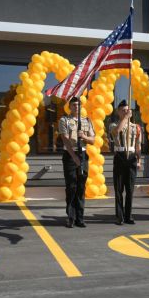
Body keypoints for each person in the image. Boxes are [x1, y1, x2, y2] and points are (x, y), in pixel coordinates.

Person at [59, 97, 95, 228]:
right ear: (69, 107)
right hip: (70, 155)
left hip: (83, 155)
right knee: (71, 186)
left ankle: (80, 218)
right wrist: (74, 157)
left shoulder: (86, 121)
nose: (76, 107)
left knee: (81, 187)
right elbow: (65, 140)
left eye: (78, 105)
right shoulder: (64, 120)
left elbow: (92, 140)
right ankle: (71, 217)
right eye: (73, 105)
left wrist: (83, 136)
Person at [109, 100, 142, 225]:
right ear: (118, 112)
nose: (125, 112)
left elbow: (138, 145)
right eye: (123, 110)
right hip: (120, 156)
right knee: (119, 189)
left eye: (127, 110)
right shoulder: (113, 125)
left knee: (130, 189)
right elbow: (116, 131)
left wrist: (139, 160)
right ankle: (119, 216)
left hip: (132, 157)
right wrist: (125, 118)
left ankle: (128, 215)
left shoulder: (136, 127)